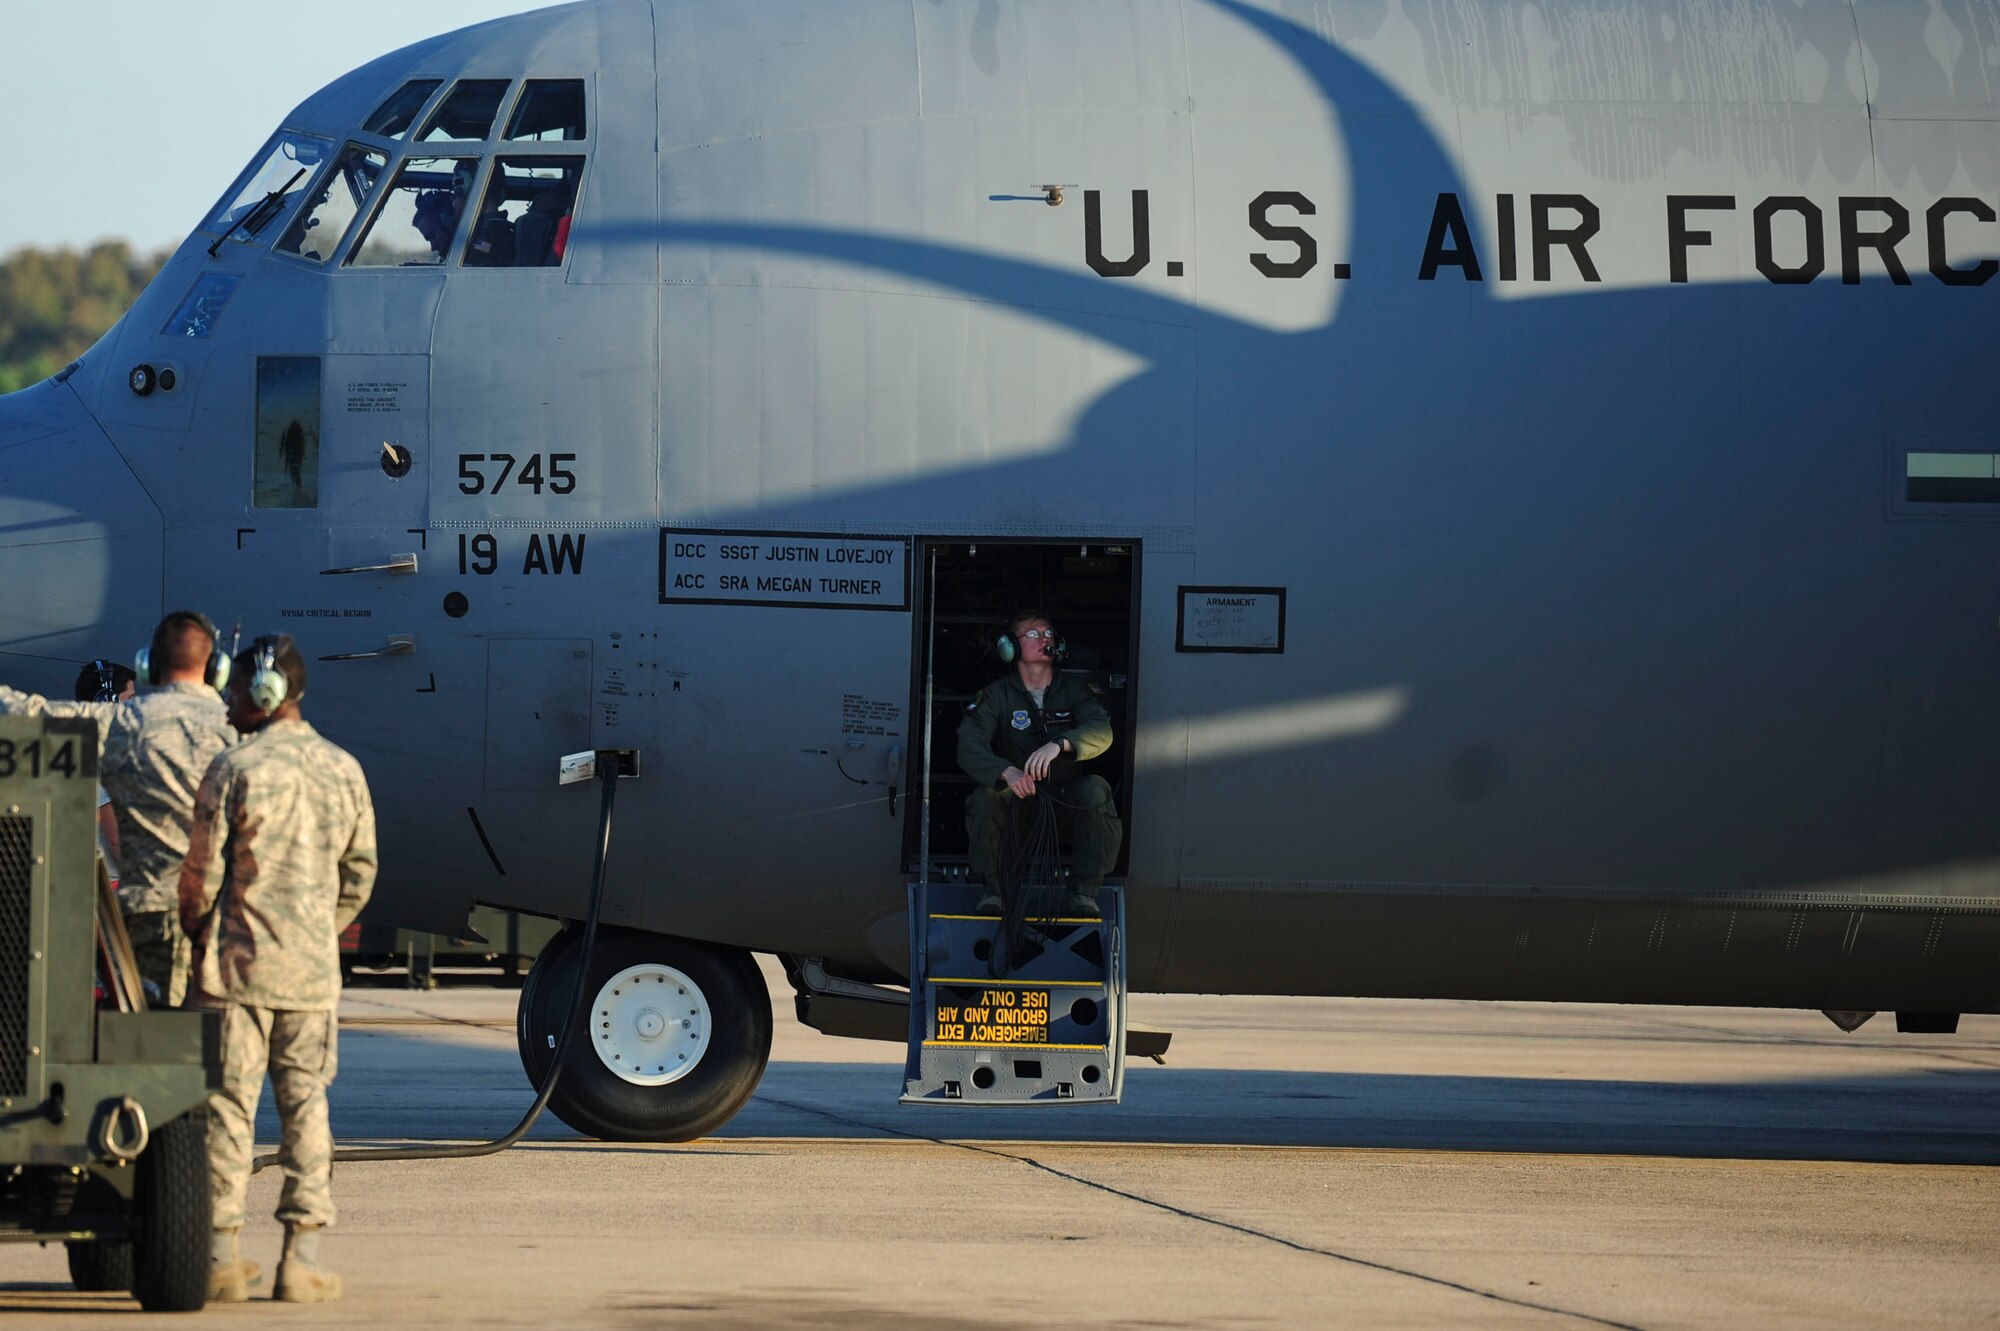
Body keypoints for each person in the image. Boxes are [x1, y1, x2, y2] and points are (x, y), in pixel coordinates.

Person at [180, 634, 375, 1304]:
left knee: (228, 1114)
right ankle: (302, 1259)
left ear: (265, 692)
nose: (231, 700)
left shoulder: (233, 766)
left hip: (236, 973)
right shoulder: (345, 769)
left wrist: (198, 928)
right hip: (311, 976)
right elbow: (361, 872)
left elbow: (200, 875)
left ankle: (218, 1255)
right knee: (306, 1110)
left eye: (237, 688)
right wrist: (318, 928)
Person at [0, 614, 235, 1005]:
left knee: (145, 1040)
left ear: (149, 664)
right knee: (214, 1044)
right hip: (220, 916)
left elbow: (29, 712)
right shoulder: (237, 732)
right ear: (216, 668)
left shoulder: (123, 723)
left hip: (147, 916)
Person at [956, 609, 1122, 917]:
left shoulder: (1076, 690)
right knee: (986, 796)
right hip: (1018, 808)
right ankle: (994, 893)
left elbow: (1101, 730)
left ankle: (1084, 894)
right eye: (1033, 634)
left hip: (1065, 807)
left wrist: (1060, 744)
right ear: (1011, 647)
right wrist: (1005, 771)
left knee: (1096, 789)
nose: (1043, 639)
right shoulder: (995, 696)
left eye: (1048, 634)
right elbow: (969, 744)